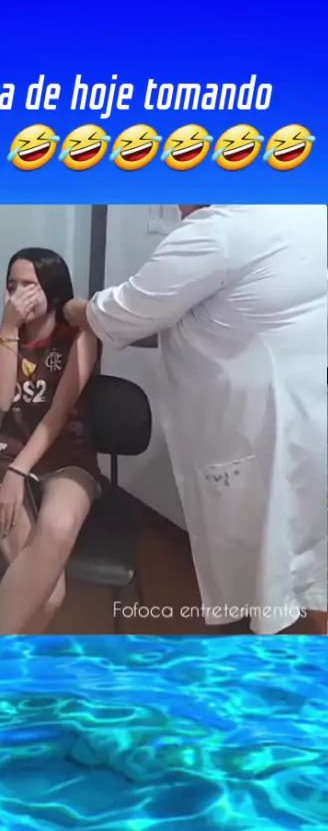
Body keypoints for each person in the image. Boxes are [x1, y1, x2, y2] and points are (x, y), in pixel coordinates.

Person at [64, 205, 327, 635]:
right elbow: (197, 316)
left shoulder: (218, 233)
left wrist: (76, 310)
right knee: (289, 553)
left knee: (259, 568)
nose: (178, 210)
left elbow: (121, 312)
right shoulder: (307, 212)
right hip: (306, 418)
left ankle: (256, 653)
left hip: (252, 433)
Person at [0, 247, 102, 634]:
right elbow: (2, 400)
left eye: (28, 285)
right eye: (11, 286)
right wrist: (8, 329)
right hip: (11, 451)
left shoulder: (80, 337)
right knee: (48, 596)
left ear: (52, 290)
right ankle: (8, 657)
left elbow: (58, 412)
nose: (18, 294)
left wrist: (19, 472)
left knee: (58, 527)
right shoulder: (3, 338)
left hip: (66, 453)